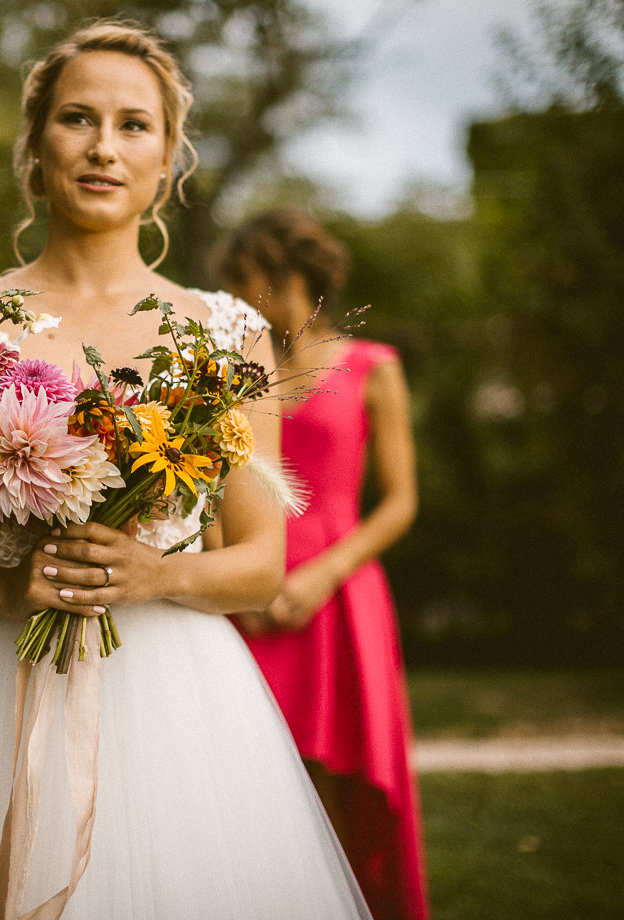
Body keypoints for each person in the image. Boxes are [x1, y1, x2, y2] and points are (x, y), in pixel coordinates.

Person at [0, 21, 372, 920]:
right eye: (77, 118)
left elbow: (258, 561)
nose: (103, 146)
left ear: (169, 156)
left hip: (170, 702)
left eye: (134, 125)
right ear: (35, 145)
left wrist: (151, 571)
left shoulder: (225, 335)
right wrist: (6, 586)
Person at [213, 208, 430, 920]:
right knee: (254, 777)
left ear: (284, 275)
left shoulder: (376, 368)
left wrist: (321, 576)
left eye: (245, 282)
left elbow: (398, 504)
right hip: (250, 581)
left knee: (344, 778)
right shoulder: (243, 376)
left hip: (338, 589)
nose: (238, 301)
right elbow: (217, 487)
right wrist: (232, 582)